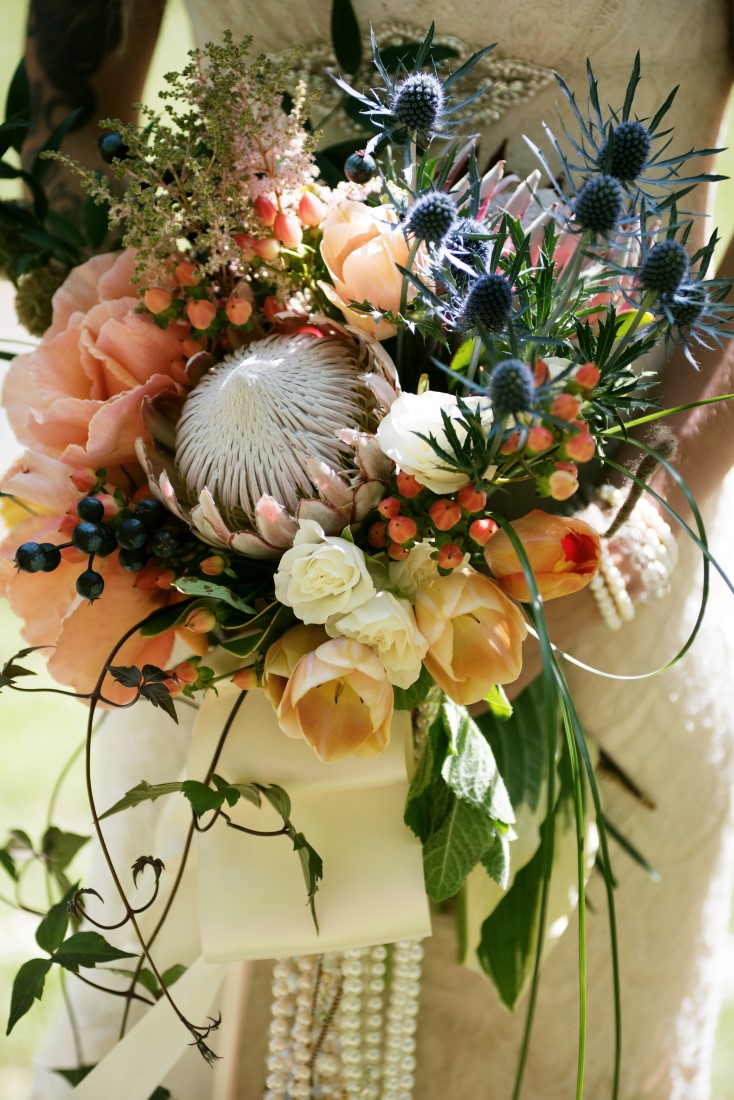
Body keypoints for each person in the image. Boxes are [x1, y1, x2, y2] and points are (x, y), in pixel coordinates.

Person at [15, 1, 734, 1097]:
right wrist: (184, 381)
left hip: (588, 586)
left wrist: (624, 516)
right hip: (213, 581)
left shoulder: (603, 554)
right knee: (188, 996)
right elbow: (65, 111)